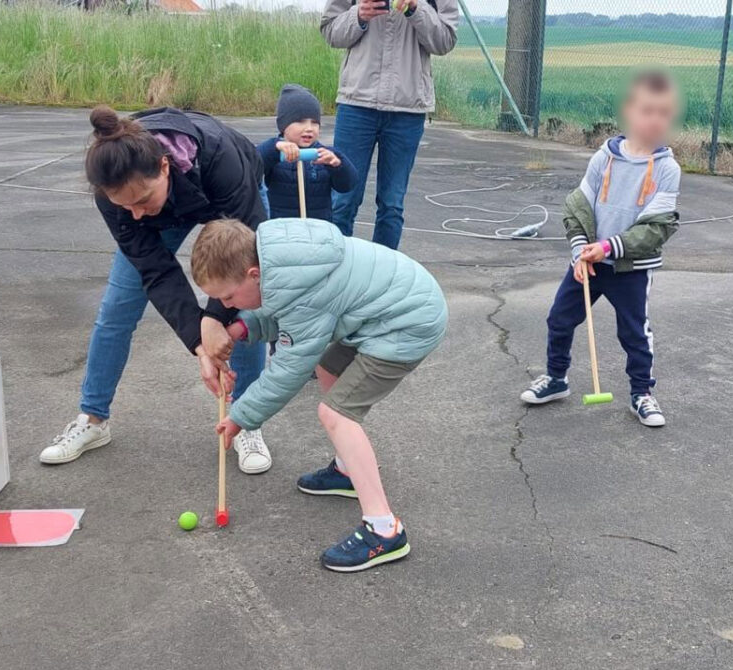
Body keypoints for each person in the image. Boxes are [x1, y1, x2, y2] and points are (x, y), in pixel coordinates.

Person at [190, 218, 448, 572]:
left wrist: (241, 416)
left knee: (336, 414)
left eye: (228, 297)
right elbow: (280, 312)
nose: (224, 304)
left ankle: (384, 530)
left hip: (406, 325)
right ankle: (346, 472)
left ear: (253, 274)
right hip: (382, 316)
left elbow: (291, 365)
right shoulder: (280, 264)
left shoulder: (300, 288)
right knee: (329, 368)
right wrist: (240, 326)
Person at [39, 106, 274, 474]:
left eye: (142, 199)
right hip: (167, 209)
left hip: (226, 198)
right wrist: (199, 342)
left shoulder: (220, 157)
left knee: (245, 299)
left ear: (165, 166)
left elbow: (242, 264)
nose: (134, 213)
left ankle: (246, 419)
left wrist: (214, 317)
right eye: (123, 205)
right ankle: (93, 419)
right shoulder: (116, 195)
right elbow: (157, 271)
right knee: (117, 309)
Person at [519, 71, 682, 428]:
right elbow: (577, 208)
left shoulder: (668, 170)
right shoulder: (603, 159)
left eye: (664, 113)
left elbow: (655, 229)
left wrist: (608, 246)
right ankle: (556, 378)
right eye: (647, 110)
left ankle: (642, 393)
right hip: (589, 265)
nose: (655, 120)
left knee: (634, 332)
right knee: (559, 318)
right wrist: (580, 252)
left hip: (631, 269)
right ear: (629, 112)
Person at [320, 0, 458, 249]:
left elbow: (445, 41)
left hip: (407, 108)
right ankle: (334, 276)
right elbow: (330, 31)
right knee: (343, 199)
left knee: (392, 204)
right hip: (356, 104)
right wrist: (358, 15)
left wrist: (416, 9)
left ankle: (383, 281)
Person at [256, 84, 357, 225]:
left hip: (318, 229)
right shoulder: (275, 151)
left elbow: (347, 185)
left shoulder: (325, 154)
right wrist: (274, 147)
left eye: (315, 123)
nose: (309, 128)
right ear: (283, 125)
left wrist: (337, 165)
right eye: (300, 122)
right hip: (282, 228)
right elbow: (252, 164)